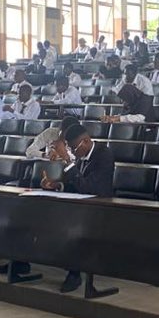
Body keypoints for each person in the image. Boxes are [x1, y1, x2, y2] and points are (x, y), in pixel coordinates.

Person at [37, 123, 116, 292]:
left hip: (101, 207)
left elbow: (89, 188)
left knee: (72, 227)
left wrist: (66, 159)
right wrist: (56, 186)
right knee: (41, 216)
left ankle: (74, 275)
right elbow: (76, 185)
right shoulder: (82, 155)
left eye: (74, 148)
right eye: (70, 149)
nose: (73, 152)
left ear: (86, 142)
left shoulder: (104, 155)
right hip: (83, 206)